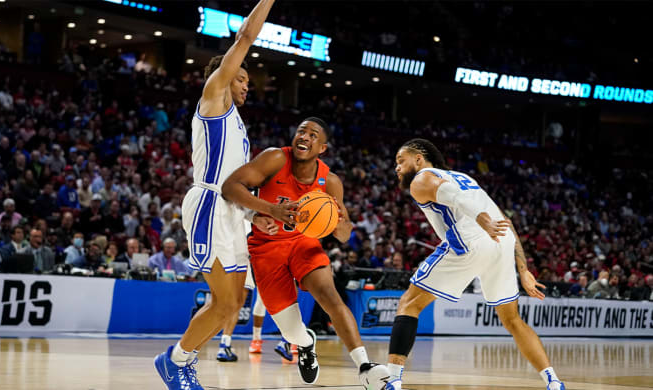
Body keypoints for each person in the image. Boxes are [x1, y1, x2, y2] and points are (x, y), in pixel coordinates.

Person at [154, 1, 278, 389]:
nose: (246, 84)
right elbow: (245, 36)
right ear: (223, 76)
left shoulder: (239, 127)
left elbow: (236, 185)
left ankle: (180, 359)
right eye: (241, 77)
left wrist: (252, 215)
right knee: (224, 302)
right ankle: (175, 361)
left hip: (230, 211)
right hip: (208, 205)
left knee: (234, 304)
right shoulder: (214, 98)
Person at [385, 138, 566, 390]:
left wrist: (481, 219)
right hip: (501, 241)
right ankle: (553, 381)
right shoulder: (464, 177)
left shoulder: (422, 178)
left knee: (409, 303)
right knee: (512, 320)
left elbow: (453, 196)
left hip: (471, 238)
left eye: (400, 161)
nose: (397, 167)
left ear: (418, 158)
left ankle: (393, 380)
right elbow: (506, 221)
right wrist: (523, 269)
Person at [221, 118, 390, 387]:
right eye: (301, 131)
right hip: (267, 248)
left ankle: (365, 366)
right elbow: (230, 187)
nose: (305, 136)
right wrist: (269, 210)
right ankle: (306, 342)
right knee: (290, 329)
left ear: (322, 147)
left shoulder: (330, 182)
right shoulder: (275, 158)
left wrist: (338, 223)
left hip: (303, 244)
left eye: (313, 135)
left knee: (330, 296)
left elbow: (344, 235)